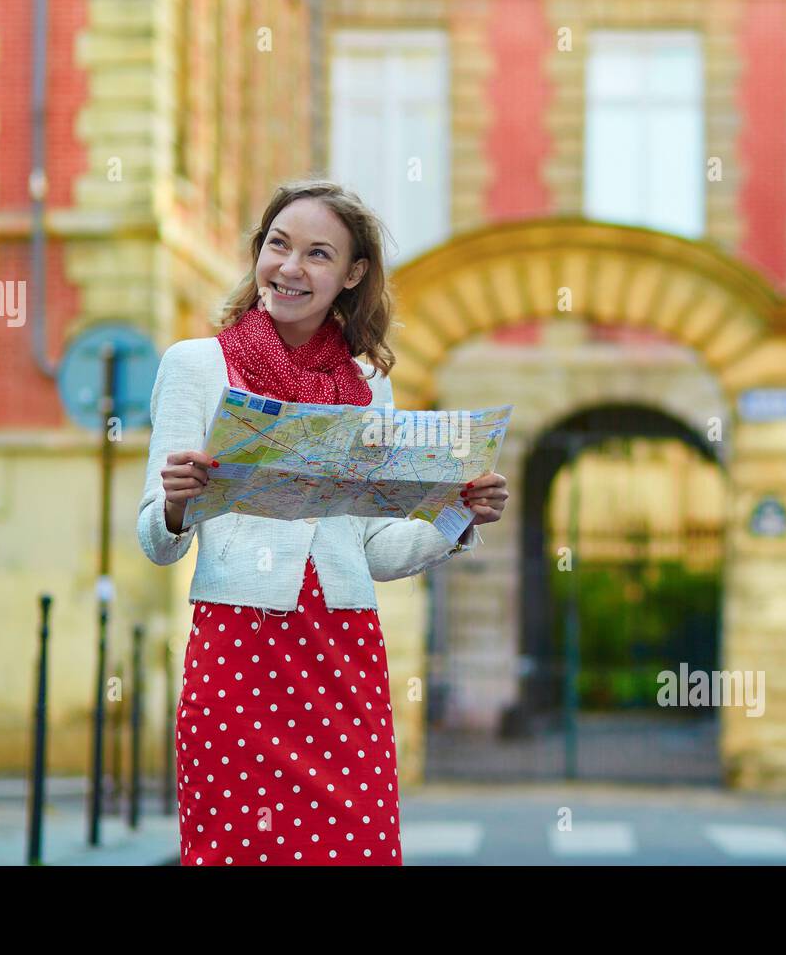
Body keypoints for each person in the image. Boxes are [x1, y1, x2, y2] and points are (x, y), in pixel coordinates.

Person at [136, 179, 509, 865]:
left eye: (317, 254)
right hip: (239, 651)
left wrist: (457, 512)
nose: (290, 268)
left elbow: (377, 551)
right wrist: (177, 504)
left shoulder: (369, 386)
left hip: (343, 653)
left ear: (352, 274)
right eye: (278, 245)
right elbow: (155, 542)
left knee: (357, 847)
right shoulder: (196, 366)